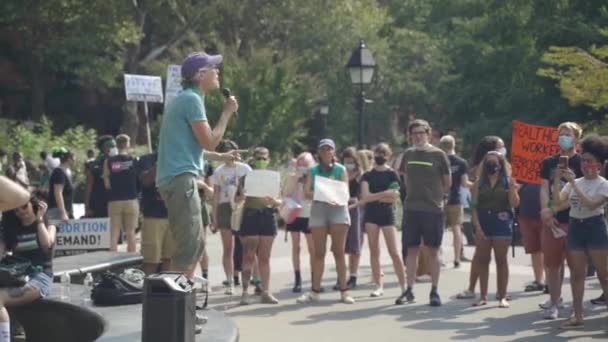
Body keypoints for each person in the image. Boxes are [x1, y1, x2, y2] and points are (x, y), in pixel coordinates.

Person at [156, 51, 237, 279]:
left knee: (195, 246)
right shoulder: (191, 99)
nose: (217, 71)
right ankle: (176, 307)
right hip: (182, 180)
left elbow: (190, 149)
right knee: (189, 248)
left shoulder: (186, 98)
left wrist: (222, 157)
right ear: (201, 74)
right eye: (213, 68)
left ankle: (180, 303)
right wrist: (227, 113)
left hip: (179, 179)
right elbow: (210, 139)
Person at [552, 135, 608, 329]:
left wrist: (574, 183)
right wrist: (557, 180)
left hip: (595, 226)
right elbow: (558, 203)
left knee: (604, 274)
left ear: (599, 165)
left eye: (589, 161)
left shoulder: (603, 184)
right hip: (576, 226)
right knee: (577, 274)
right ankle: (577, 315)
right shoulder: (573, 182)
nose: (584, 164)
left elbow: (592, 205)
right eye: (583, 161)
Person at [397, 120, 451, 306]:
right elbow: (403, 177)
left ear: (428, 134)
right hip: (411, 208)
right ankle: (409, 289)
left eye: (421, 133)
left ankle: (434, 291)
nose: (418, 136)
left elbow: (447, 182)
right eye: (414, 134)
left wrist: (437, 199)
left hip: (432, 209)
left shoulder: (438, 154)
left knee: (433, 251)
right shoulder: (408, 154)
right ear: (410, 136)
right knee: (411, 251)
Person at [297, 139, 355, 304]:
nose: (326, 152)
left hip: (338, 210)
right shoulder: (313, 170)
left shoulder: (340, 169)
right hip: (319, 210)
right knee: (318, 253)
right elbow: (306, 192)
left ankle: (344, 291)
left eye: (329, 149)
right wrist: (322, 195)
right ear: (319, 152)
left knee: (338, 252)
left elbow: (345, 193)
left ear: (334, 152)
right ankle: (315, 291)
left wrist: (333, 195)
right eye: (323, 149)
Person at [539, 122, 583, 320]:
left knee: (575, 266)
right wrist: (545, 211)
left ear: (576, 139)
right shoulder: (549, 162)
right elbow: (543, 188)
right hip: (552, 222)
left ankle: (576, 306)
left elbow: (579, 195)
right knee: (552, 265)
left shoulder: (583, 163)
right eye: (561, 134)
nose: (563, 138)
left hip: (575, 220)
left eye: (567, 134)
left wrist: (555, 208)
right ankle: (555, 303)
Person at [457, 136, 507, 300]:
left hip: (500, 216)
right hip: (481, 212)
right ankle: (472, 288)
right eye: (500, 146)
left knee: (494, 257)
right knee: (480, 255)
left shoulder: (503, 166)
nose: (502, 149)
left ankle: (500, 293)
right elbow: (473, 185)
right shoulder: (481, 166)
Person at [0, 195, 56, 342]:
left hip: (40, 277)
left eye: (24, 206)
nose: (20, 211)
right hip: (16, 277)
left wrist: (39, 220)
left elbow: (46, 245)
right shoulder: (11, 230)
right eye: (16, 210)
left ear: (34, 205)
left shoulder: (49, 227)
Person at [470, 151, 519, 308]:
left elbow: (515, 203)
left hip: (502, 222)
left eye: (494, 162)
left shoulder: (507, 181)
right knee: (483, 260)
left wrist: (512, 188)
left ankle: (502, 296)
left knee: (501, 260)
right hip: (484, 222)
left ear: (500, 164)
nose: (491, 165)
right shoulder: (479, 183)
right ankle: (483, 296)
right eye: (488, 162)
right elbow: (473, 206)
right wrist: (477, 226)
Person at [358, 143, 406, 300]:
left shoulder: (393, 174)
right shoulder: (367, 175)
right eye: (378, 152)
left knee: (394, 252)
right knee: (374, 250)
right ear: (374, 154)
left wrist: (377, 195)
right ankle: (379, 285)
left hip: (387, 214)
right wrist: (385, 194)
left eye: (384, 153)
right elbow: (365, 197)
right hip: (371, 215)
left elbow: (394, 196)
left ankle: (404, 286)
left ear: (389, 155)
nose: (381, 155)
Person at [238, 147, 282, 305]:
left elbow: (280, 200)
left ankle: (266, 291)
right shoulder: (246, 177)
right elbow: (237, 199)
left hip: (268, 216)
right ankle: (244, 292)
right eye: (258, 158)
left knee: (265, 257)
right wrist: (241, 195)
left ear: (268, 160)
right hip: (251, 216)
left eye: (264, 158)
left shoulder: (274, 177)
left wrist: (275, 202)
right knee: (249, 255)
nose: (261, 161)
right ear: (253, 159)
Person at [211, 141, 251, 294]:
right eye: (225, 152)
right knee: (228, 248)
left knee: (247, 246)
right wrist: (214, 217)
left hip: (241, 208)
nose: (229, 155)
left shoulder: (244, 168)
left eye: (231, 151)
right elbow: (215, 195)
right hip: (224, 208)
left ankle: (252, 280)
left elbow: (252, 189)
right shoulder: (219, 172)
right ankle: (229, 282)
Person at [138, 152, 175, 275]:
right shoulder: (146, 159)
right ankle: (147, 292)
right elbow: (145, 181)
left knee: (170, 259)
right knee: (151, 260)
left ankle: (166, 291)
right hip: (153, 216)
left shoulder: (179, 157)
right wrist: (159, 166)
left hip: (174, 215)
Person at [283, 152, 315, 293]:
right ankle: (298, 279)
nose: (303, 168)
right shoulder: (292, 176)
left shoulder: (315, 176)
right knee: (296, 247)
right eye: (300, 165)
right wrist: (295, 178)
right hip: (295, 213)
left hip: (310, 213)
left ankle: (315, 278)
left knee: (312, 247)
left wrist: (308, 179)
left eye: (305, 166)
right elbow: (285, 194)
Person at [439, 135, 471, 268]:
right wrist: (476, 184)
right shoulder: (461, 162)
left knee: (438, 230)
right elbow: (464, 184)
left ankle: (439, 258)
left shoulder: (439, 161)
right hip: (456, 199)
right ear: (454, 145)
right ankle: (457, 257)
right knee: (457, 228)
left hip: (439, 198)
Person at [104, 134, 139, 252]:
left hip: (115, 200)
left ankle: (113, 263)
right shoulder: (133, 160)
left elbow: (106, 184)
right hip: (131, 199)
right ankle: (131, 262)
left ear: (117, 145)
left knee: (114, 233)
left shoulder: (109, 161)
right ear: (127, 144)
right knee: (131, 233)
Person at [517, 183, 546, 293]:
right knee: (534, 250)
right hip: (526, 214)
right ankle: (539, 281)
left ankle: (550, 282)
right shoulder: (522, 172)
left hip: (545, 215)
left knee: (548, 250)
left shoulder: (548, 170)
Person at [342, 147, 364, 290]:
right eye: (346, 161)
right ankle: (341, 276)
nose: (349, 164)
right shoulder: (340, 172)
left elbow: (363, 194)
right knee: (341, 244)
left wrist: (356, 202)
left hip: (355, 208)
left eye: (351, 162)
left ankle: (353, 276)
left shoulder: (360, 175)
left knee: (355, 244)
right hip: (341, 207)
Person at [85, 136, 116, 218]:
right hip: (98, 206)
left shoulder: (119, 163)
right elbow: (88, 187)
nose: (114, 149)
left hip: (115, 204)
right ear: (104, 148)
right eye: (111, 146)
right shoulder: (94, 165)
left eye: (115, 146)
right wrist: (87, 207)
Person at [47, 148, 75, 221]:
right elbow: (58, 193)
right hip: (57, 212)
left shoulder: (66, 172)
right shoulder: (59, 172)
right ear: (69, 159)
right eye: (73, 158)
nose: (75, 160)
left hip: (65, 211)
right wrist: (63, 213)